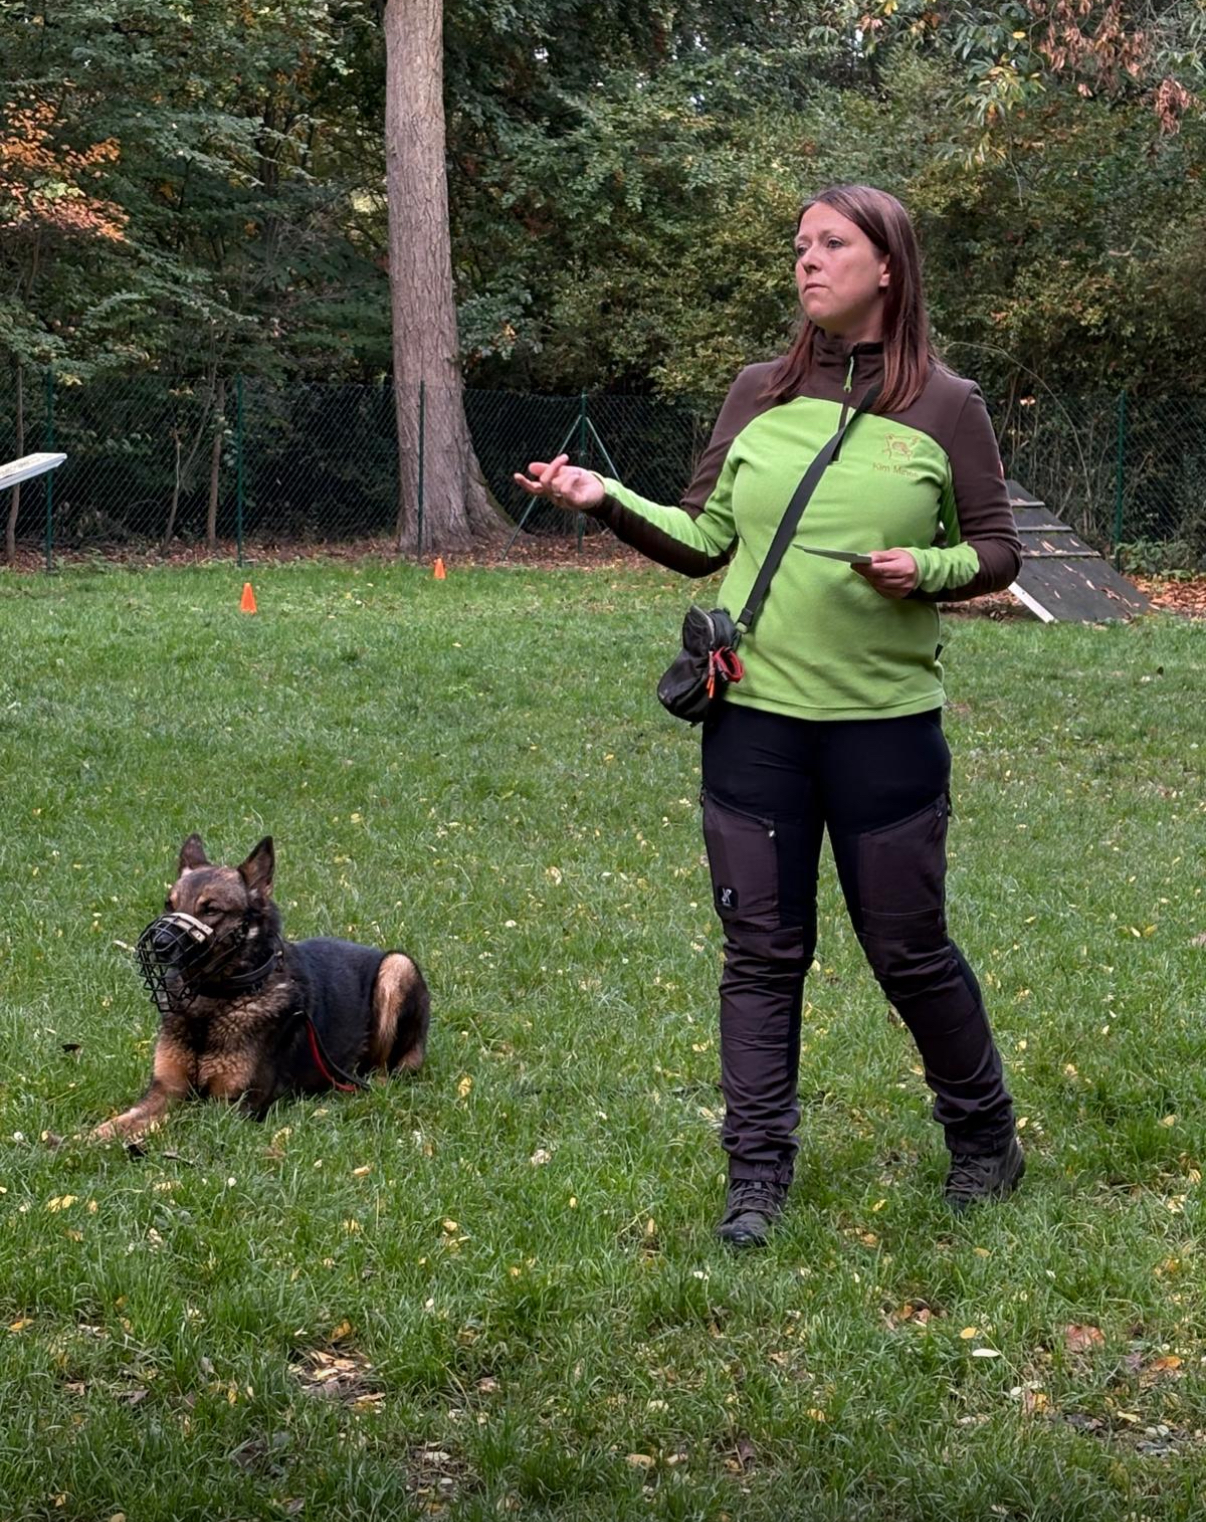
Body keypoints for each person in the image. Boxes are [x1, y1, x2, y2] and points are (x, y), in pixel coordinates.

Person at [514, 184, 1024, 1247]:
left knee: (910, 949)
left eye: (832, 244)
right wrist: (607, 501)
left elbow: (998, 550)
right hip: (755, 721)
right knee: (761, 951)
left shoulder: (948, 407)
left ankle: (984, 1140)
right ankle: (756, 1177)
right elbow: (702, 535)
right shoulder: (757, 392)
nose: (807, 262)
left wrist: (924, 568)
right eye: (800, 246)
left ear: (888, 264)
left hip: (885, 728)